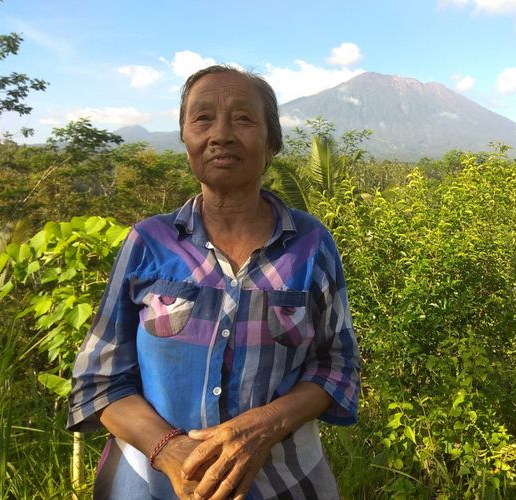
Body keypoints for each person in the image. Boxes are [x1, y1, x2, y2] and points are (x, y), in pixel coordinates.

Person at [67, 65, 360, 499]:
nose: (221, 133)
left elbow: (336, 365)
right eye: (203, 118)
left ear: (271, 142)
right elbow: (99, 380)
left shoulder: (311, 243)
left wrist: (266, 425)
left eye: (243, 118)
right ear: (185, 138)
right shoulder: (149, 241)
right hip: (150, 484)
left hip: (286, 481)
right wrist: (170, 451)